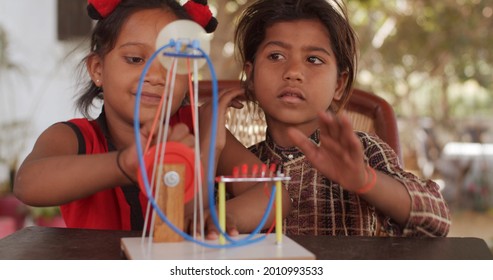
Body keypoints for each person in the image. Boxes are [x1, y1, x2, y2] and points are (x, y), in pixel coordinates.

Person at [14, 0, 291, 239]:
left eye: (174, 62)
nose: (157, 76)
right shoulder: (73, 137)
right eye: (135, 59)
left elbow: (275, 196)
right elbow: (28, 185)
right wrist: (125, 164)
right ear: (98, 69)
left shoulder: (199, 126)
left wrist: (218, 215)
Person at [234, 0, 451, 236]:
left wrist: (365, 180)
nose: (293, 72)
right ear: (250, 77)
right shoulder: (237, 167)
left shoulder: (365, 151)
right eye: (276, 56)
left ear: (339, 84)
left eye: (313, 59)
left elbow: (437, 219)